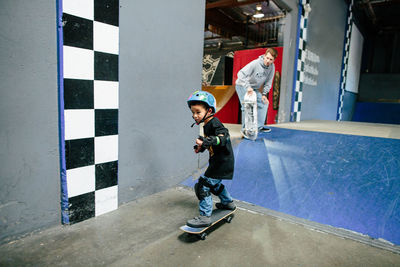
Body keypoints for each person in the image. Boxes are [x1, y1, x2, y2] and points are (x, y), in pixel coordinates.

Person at [186, 90, 236, 228]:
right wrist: (202, 146)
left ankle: (205, 217)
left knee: (202, 186)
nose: (195, 116)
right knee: (215, 185)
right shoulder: (207, 124)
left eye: (198, 112)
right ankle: (227, 203)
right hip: (220, 161)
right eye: (193, 113)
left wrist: (208, 141)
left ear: (209, 110)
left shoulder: (214, 123)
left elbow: (223, 137)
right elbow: (211, 142)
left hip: (222, 163)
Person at [235, 48, 278, 137]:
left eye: (271, 59)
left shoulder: (271, 67)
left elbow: (268, 82)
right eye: (267, 58)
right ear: (264, 56)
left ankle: (258, 126)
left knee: (264, 103)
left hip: (254, 88)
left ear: (274, 60)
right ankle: (245, 130)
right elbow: (240, 74)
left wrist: (264, 95)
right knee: (247, 105)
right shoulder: (255, 63)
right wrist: (248, 87)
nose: (268, 61)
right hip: (242, 85)